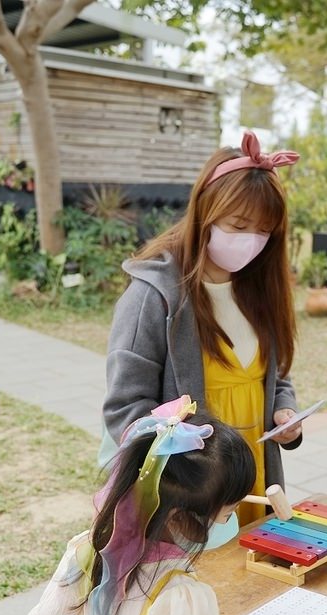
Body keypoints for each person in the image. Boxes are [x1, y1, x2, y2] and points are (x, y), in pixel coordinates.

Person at [28, 396, 320, 615]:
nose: (228, 522)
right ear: (179, 518)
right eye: (227, 514)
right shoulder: (181, 601)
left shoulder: (89, 550)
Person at [102, 132, 303, 527]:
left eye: (263, 232)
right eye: (239, 225)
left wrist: (285, 412)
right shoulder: (155, 295)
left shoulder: (259, 290)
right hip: (192, 499)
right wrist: (195, 460)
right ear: (204, 212)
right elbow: (125, 410)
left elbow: (274, 377)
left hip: (256, 480)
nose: (250, 242)